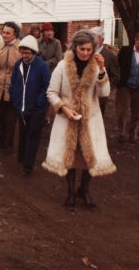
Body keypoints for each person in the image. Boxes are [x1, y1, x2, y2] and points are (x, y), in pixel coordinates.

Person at [42, 30, 116, 210]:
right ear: (75, 48)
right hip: (67, 119)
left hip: (91, 120)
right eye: (82, 49)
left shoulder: (96, 65)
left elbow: (104, 93)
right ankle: (70, 192)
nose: (85, 53)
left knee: (90, 157)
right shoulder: (62, 66)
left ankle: (84, 190)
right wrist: (63, 108)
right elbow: (51, 92)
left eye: (89, 50)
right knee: (71, 158)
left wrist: (102, 71)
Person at [10, 35, 51, 175]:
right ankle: (22, 158)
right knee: (23, 133)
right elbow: (14, 82)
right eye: (22, 52)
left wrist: (39, 102)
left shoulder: (42, 66)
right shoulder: (18, 64)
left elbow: (46, 87)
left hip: (36, 109)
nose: (24, 55)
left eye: (27, 53)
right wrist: (15, 98)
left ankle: (28, 166)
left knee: (33, 135)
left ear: (34, 52)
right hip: (21, 107)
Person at [0, 22, 21, 155]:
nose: (5, 35)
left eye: (8, 33)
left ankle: (8, 146)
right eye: (4, 32)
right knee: (0, 118)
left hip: (12, 88)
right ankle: (1, 143)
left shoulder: (20, 48)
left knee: (10, 119)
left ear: (15, 34)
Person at [90, 26, 120, 114]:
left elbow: (115, 76)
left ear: (102, 39)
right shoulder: (86, 52)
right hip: (85, 92)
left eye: (94, 37)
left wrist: (105, 87)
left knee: (98, 117)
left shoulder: (110, 56)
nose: (91, 40)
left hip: (100, 95)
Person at [38, 22, 63, 125]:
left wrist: (45, 64)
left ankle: (47, 116)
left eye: (51, 30)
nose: (49, 32)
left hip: (51, 72)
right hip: (39, 72)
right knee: (40, 92)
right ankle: (39, 114)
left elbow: (58, 58)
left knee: (50, 94)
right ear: (43, 32)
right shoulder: (38, 42)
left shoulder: (57, 43)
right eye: (47, 30)